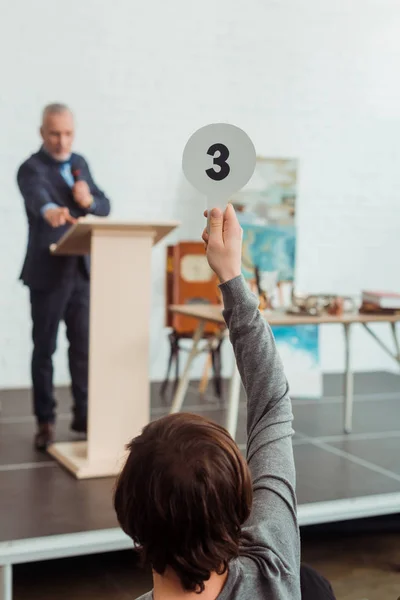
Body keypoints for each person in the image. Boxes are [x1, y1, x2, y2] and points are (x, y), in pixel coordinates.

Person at [114, 204, 336, 599]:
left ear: (132, 523)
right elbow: (272, 403)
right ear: (240, 512)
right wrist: (231, 274)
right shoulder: (275, 567)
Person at [17, 103, 111, 451]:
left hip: (80, 273)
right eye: (54, 133)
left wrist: (88, 201)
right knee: (45, 349)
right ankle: (45, 421)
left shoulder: (79, 163)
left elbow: (104, 204)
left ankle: (84, 416)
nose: (61, 140)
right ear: (43, 133)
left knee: (83, 349)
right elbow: (37, 197)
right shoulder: (31, 168)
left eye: (68, 133)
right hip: (47, 273)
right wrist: (51, 211)